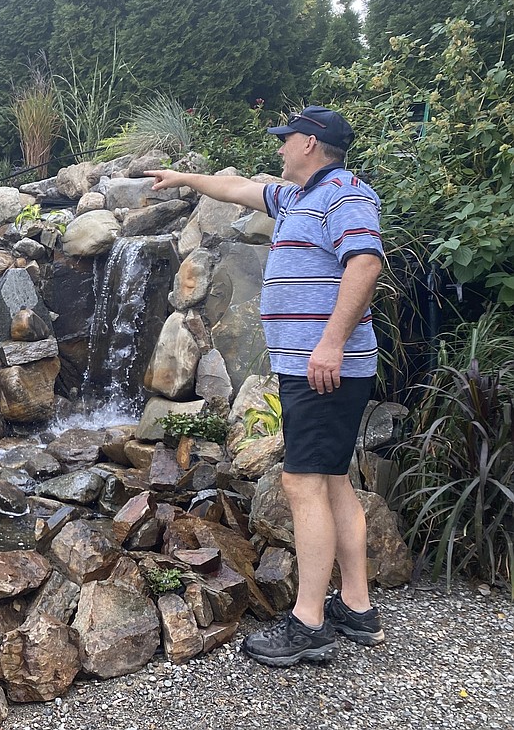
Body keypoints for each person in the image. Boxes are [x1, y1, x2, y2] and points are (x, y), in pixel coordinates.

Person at [146, 105, 386, 668]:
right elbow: (237, 188)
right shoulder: (298, 196)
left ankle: (309, 622)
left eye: (286, 139)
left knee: (302, 484)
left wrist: (329, 343)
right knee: (331, 480)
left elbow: (365, 265)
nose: (279, 148)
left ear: (310, 144)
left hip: (324, 368)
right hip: (316, 367)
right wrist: (183, 178)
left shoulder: (345, 193)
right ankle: (356, 606)